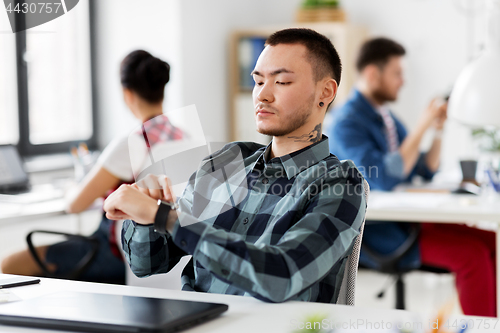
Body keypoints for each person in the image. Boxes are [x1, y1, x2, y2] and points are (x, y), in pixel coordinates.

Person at [103, 28, 366, 303]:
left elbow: (282, 275)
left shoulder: (341, 183)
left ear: (325, 92)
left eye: (282, 82)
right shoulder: (228, 161)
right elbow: (148, 265)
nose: (262, 95)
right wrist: (146, 218)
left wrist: (165, 217)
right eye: (258, 81)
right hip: (196, 321)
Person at [327, 37, 496, 316]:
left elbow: (421, 167)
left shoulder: (386, 118)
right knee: (472, 257)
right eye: (397, 73)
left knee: (492, 242)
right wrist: (421, 126)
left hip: (410, 220)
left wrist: (437, 130)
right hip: (383, 231)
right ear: (372, 73)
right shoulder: (346, 122)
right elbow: (384, 177)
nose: (402, 81)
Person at [1, 50, 183, 284]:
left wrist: (69, 189)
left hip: (119, 252)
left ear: (127, 94)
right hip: (167, 253)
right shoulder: (182, 137)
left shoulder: (132, 142)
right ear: (162, 90)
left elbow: (76, 204)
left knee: (9, 264)